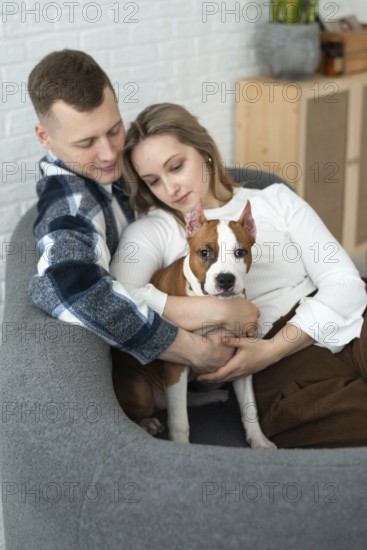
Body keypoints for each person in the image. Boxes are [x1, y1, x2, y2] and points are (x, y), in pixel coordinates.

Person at [111, 102, 367, 448]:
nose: (171, 188)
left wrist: (275, 348)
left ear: (205, 152)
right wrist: (222, 314)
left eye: (177, 166)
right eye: (153, 181)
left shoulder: (274, 200)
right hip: (273, 369)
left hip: (350, 323)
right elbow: (116, 301)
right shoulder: (154, 232)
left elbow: (345, 283)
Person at [27, 49, 259, 371]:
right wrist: (194, 344)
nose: (109, 154)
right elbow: (65, 288)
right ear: (45, 137)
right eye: (87, 143)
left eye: (113, 130)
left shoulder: (120, 165)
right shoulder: (70, 206)